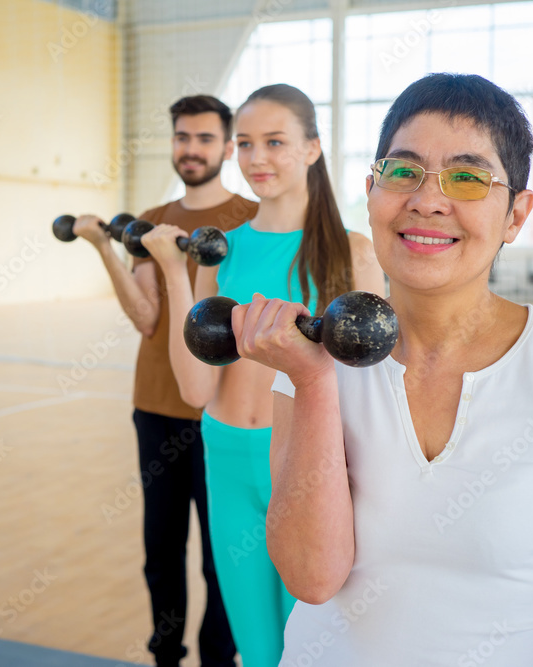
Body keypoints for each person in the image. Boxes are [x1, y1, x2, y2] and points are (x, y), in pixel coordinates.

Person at [231, 73, 533, 665]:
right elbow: (312, 576)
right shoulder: (312, 361)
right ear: (373, 191)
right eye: (402, 172)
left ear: (516, 215)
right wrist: (313, 382)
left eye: (467, 177)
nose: (428, 200)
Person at [141, 84, 385, 667]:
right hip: (225, 455)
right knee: (256, 648)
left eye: (275, 142)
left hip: (306, 464)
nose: (256, 159)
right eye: (245, 144)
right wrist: (177, 275)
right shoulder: (220, 252)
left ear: (311, 149)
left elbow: (374, 389)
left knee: (319, 644)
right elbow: (196, 389)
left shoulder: (352, 253)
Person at [72, 95, 255, 667]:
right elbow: (147, 318)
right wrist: (105, 246)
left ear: (227, 148)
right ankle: (166, 657)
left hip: (223, 415)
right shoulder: (152, 220)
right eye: (182, 137)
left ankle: (218, 660)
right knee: (161, 552)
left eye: (204, 139)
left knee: (219, 558)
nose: (191, 149)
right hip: (156, 408)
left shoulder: (251, 220)